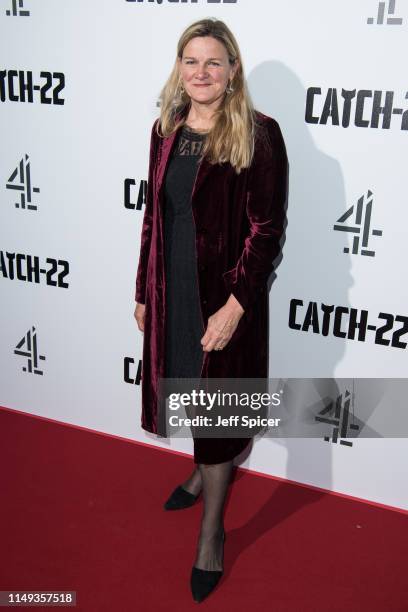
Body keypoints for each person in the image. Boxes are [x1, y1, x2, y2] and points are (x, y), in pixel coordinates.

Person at [134, 17, 288, 603]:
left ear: (232, 72)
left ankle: (211, 533)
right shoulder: (164, 129)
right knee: (184, 383)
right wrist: (143, 287)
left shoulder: (259, 133)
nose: (201, 72)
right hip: (171, 284)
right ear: (179, 68)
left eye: (213, 62)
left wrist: (235, 307)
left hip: (223, 296)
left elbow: (266, 231)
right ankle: (201, 470)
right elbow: (152, 216)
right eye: (190, 61)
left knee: (219, 410)